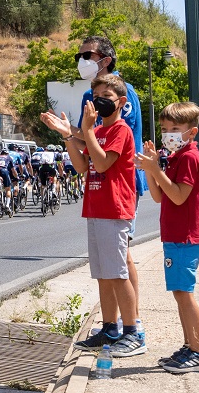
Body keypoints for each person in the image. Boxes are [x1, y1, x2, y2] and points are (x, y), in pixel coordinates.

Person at [41, 35, 147, 318]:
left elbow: (116, 136)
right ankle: (111, 324)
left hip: (121, 183)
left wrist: (80, 134)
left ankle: (133, 323)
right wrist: (65, 131)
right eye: (79, 56)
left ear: (106, 60)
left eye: (87, 55)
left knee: (121, 257)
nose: (81, 61)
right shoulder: (90, 96)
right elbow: (89, 138)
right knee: (106, 265)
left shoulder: (125, 94)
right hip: (98, 186)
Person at [56, 73, 143, 357]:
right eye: (96, 97)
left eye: (106, 96)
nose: (99, 101)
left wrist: (87, 131)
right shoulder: (99, 132)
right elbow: (82, 166)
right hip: (96, 208)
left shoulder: (119, 131)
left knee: (118, 274)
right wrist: (69, 135)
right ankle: (109, 329)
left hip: (115, 209)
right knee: (104, 275)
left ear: (120, 101)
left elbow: (104, 164)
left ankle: (132, 332)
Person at [136, 102, 199, 373]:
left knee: (184, 292)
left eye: (175, 129)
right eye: (165, 129)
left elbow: (179, 196)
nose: (168, 134)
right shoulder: (178, 157)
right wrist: (151, 168)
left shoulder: (190, 158)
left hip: (186, 236)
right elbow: (160, 196)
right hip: (175, 235)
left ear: (191, 132)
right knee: (180, 293)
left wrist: (155, 169)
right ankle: (190, 345)